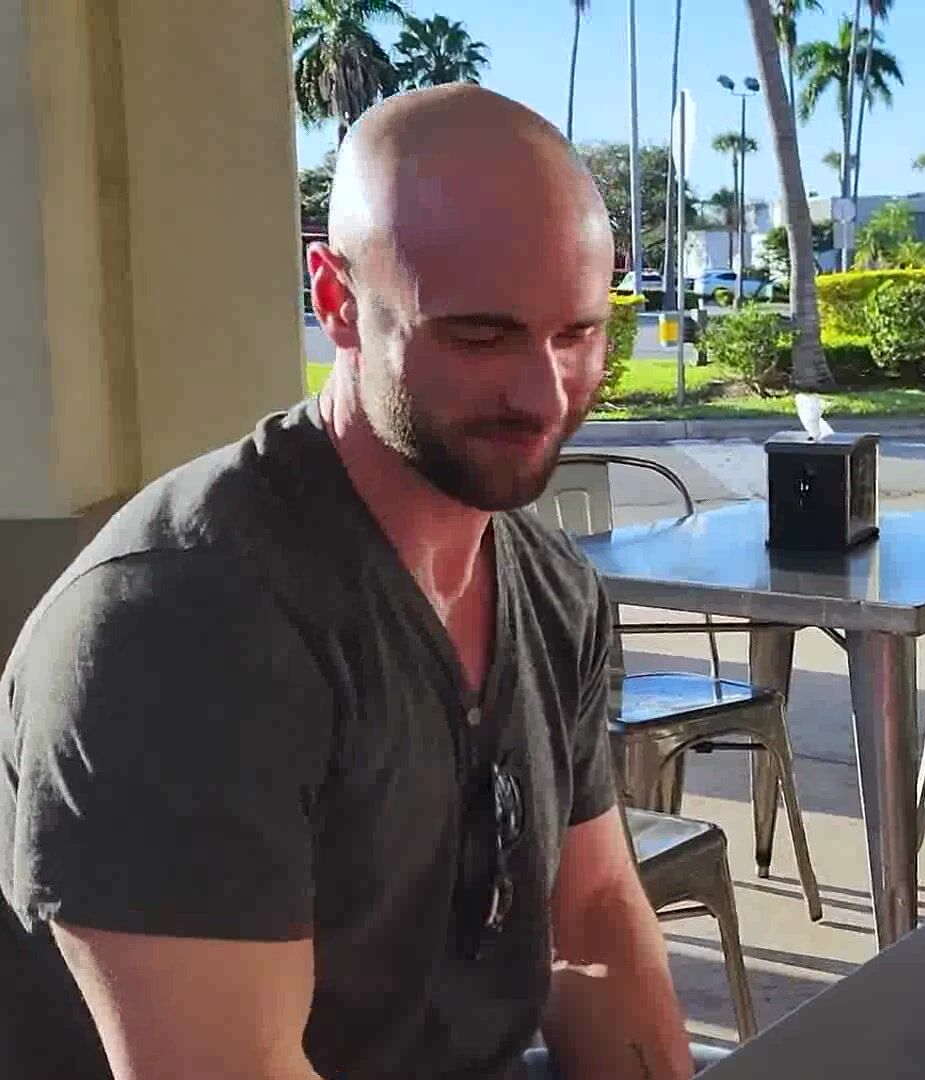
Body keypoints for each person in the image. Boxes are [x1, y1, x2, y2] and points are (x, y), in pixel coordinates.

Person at [0, 86, 694, 1079]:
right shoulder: (178, 631)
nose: (544, 394)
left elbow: (591, 916)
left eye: (578, 334)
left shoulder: (551, 589)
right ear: (335, 299)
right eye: (481, 337)